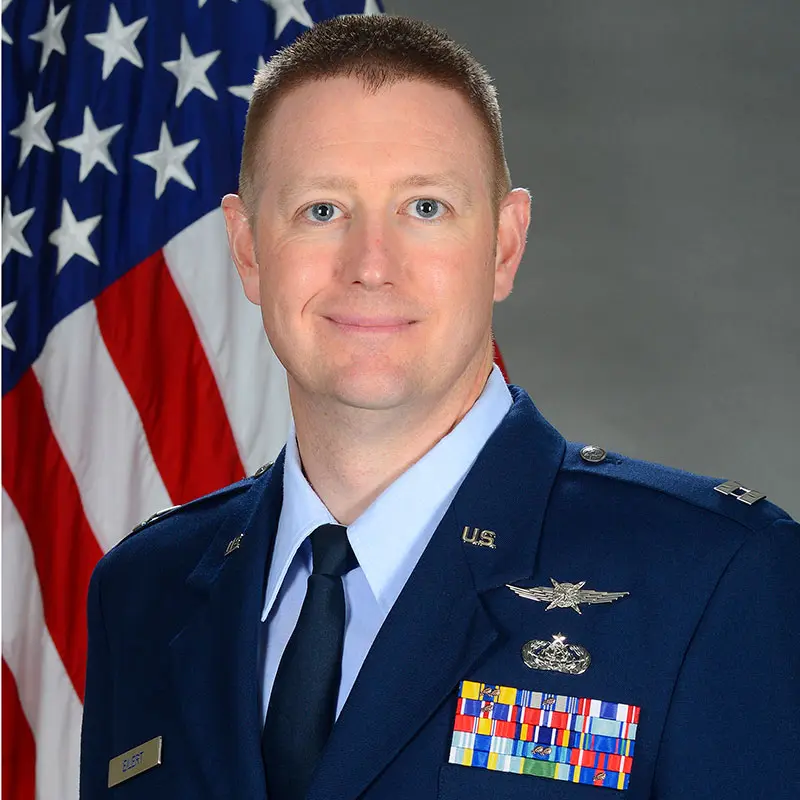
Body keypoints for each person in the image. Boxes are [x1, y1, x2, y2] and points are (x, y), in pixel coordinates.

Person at [79, 14, 799, 800]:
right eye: (321, 209)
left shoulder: (712, 577)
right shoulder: (144, 593)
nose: (371, 266)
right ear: (248, 249)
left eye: (424, 207)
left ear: (504, 245)